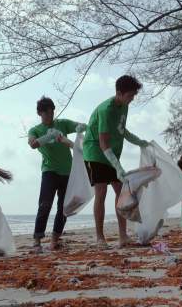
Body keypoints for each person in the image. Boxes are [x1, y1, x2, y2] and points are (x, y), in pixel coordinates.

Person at [82, 75, 148, 248]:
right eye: (130, 96)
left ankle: (123, 236)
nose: (132, 99)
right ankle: (99, 238)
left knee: (121, 192)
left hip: (112, 154)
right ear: (119, 93)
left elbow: (122, 130)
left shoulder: (124, 107)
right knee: (101, 192)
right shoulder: (106, 110)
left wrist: (139, 141)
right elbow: (103, 143)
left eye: (134, 95)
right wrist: (118, 167)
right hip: (95, 153)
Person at [28, 96, 86, 252]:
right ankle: (37, 240)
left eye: (52, 112)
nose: (50, 116)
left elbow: (82, 126)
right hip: (49, 171)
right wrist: (50, 136)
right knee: (45, 205)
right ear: (40, 113)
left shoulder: (62, 123)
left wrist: (80, 128)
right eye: (46, 113)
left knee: (64, 207)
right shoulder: (35, 130)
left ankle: (54, 240)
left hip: (68, 172)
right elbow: (33, 144)